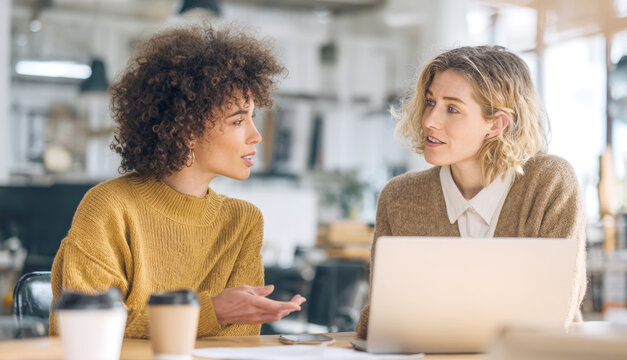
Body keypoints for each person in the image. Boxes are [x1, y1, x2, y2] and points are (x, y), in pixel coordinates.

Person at [49, 24, 305, 339]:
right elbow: (85, 334)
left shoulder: (244, 221)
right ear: (186, 129)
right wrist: (213, 311)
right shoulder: (110, 208)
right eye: (238, 120)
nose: (256, 135)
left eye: (253, 118)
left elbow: (237, 345)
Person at [355, 45, 587, 338]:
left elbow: (553, 314)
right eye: (430, 102)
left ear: (496, 124)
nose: (429, 120)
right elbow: (379, 322)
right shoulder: (400, 196)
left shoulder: (549, 182)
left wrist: (431, 314)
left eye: (452, 108)